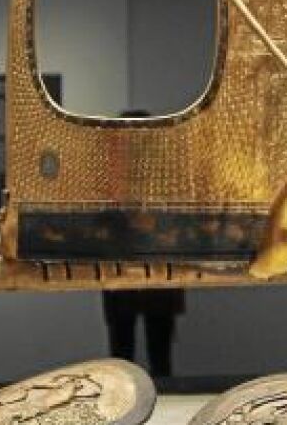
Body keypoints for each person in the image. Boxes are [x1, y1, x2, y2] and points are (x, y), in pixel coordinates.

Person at [102, 110, 186, 378]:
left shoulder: (163, 176)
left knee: (153, 349)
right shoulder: (115, 176)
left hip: (153, 268)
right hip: (127, 269)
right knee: (127, 349)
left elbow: (174, 221)